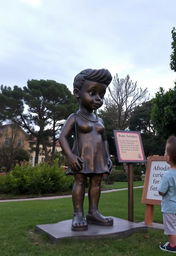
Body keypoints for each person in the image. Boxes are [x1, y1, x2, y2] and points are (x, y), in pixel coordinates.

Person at [59, 68, 113, 231]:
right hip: (81, 157)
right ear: (77, 93)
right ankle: (78, 214)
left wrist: (108, 157)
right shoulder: (74, 117)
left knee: (96, 182)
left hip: (98, 158)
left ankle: (93, 212)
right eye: (92, 93)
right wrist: (70, 156)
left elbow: (104, 140)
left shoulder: (100, 119)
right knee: (80, 181)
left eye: (101, 95)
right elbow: (62, 138)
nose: (98, 99)